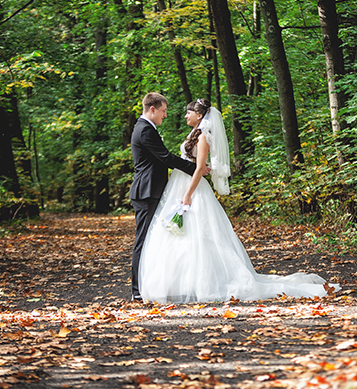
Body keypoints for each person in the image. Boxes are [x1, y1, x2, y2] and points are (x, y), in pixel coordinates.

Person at [138, 98, 340, 303]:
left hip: (192, 189)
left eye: (188, 112)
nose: (185, 115)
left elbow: (199, 168)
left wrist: (188, 194)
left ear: (199, 115)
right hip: (180, 185)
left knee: (200, 236)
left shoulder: (203, 137)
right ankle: (181, 283)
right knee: (184, 237)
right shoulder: (194, 134)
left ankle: (204, 282)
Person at [129, 92, 203, 302]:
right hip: (146, 191)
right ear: (152, 109)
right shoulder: (144, 130)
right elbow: (165, 157)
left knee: (151, 239)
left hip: (151, 190)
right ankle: (137, 290)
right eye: (163, 111)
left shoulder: (146, 128)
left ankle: (145, 285)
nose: (165, 115)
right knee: (143, 240)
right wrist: (196, 168)